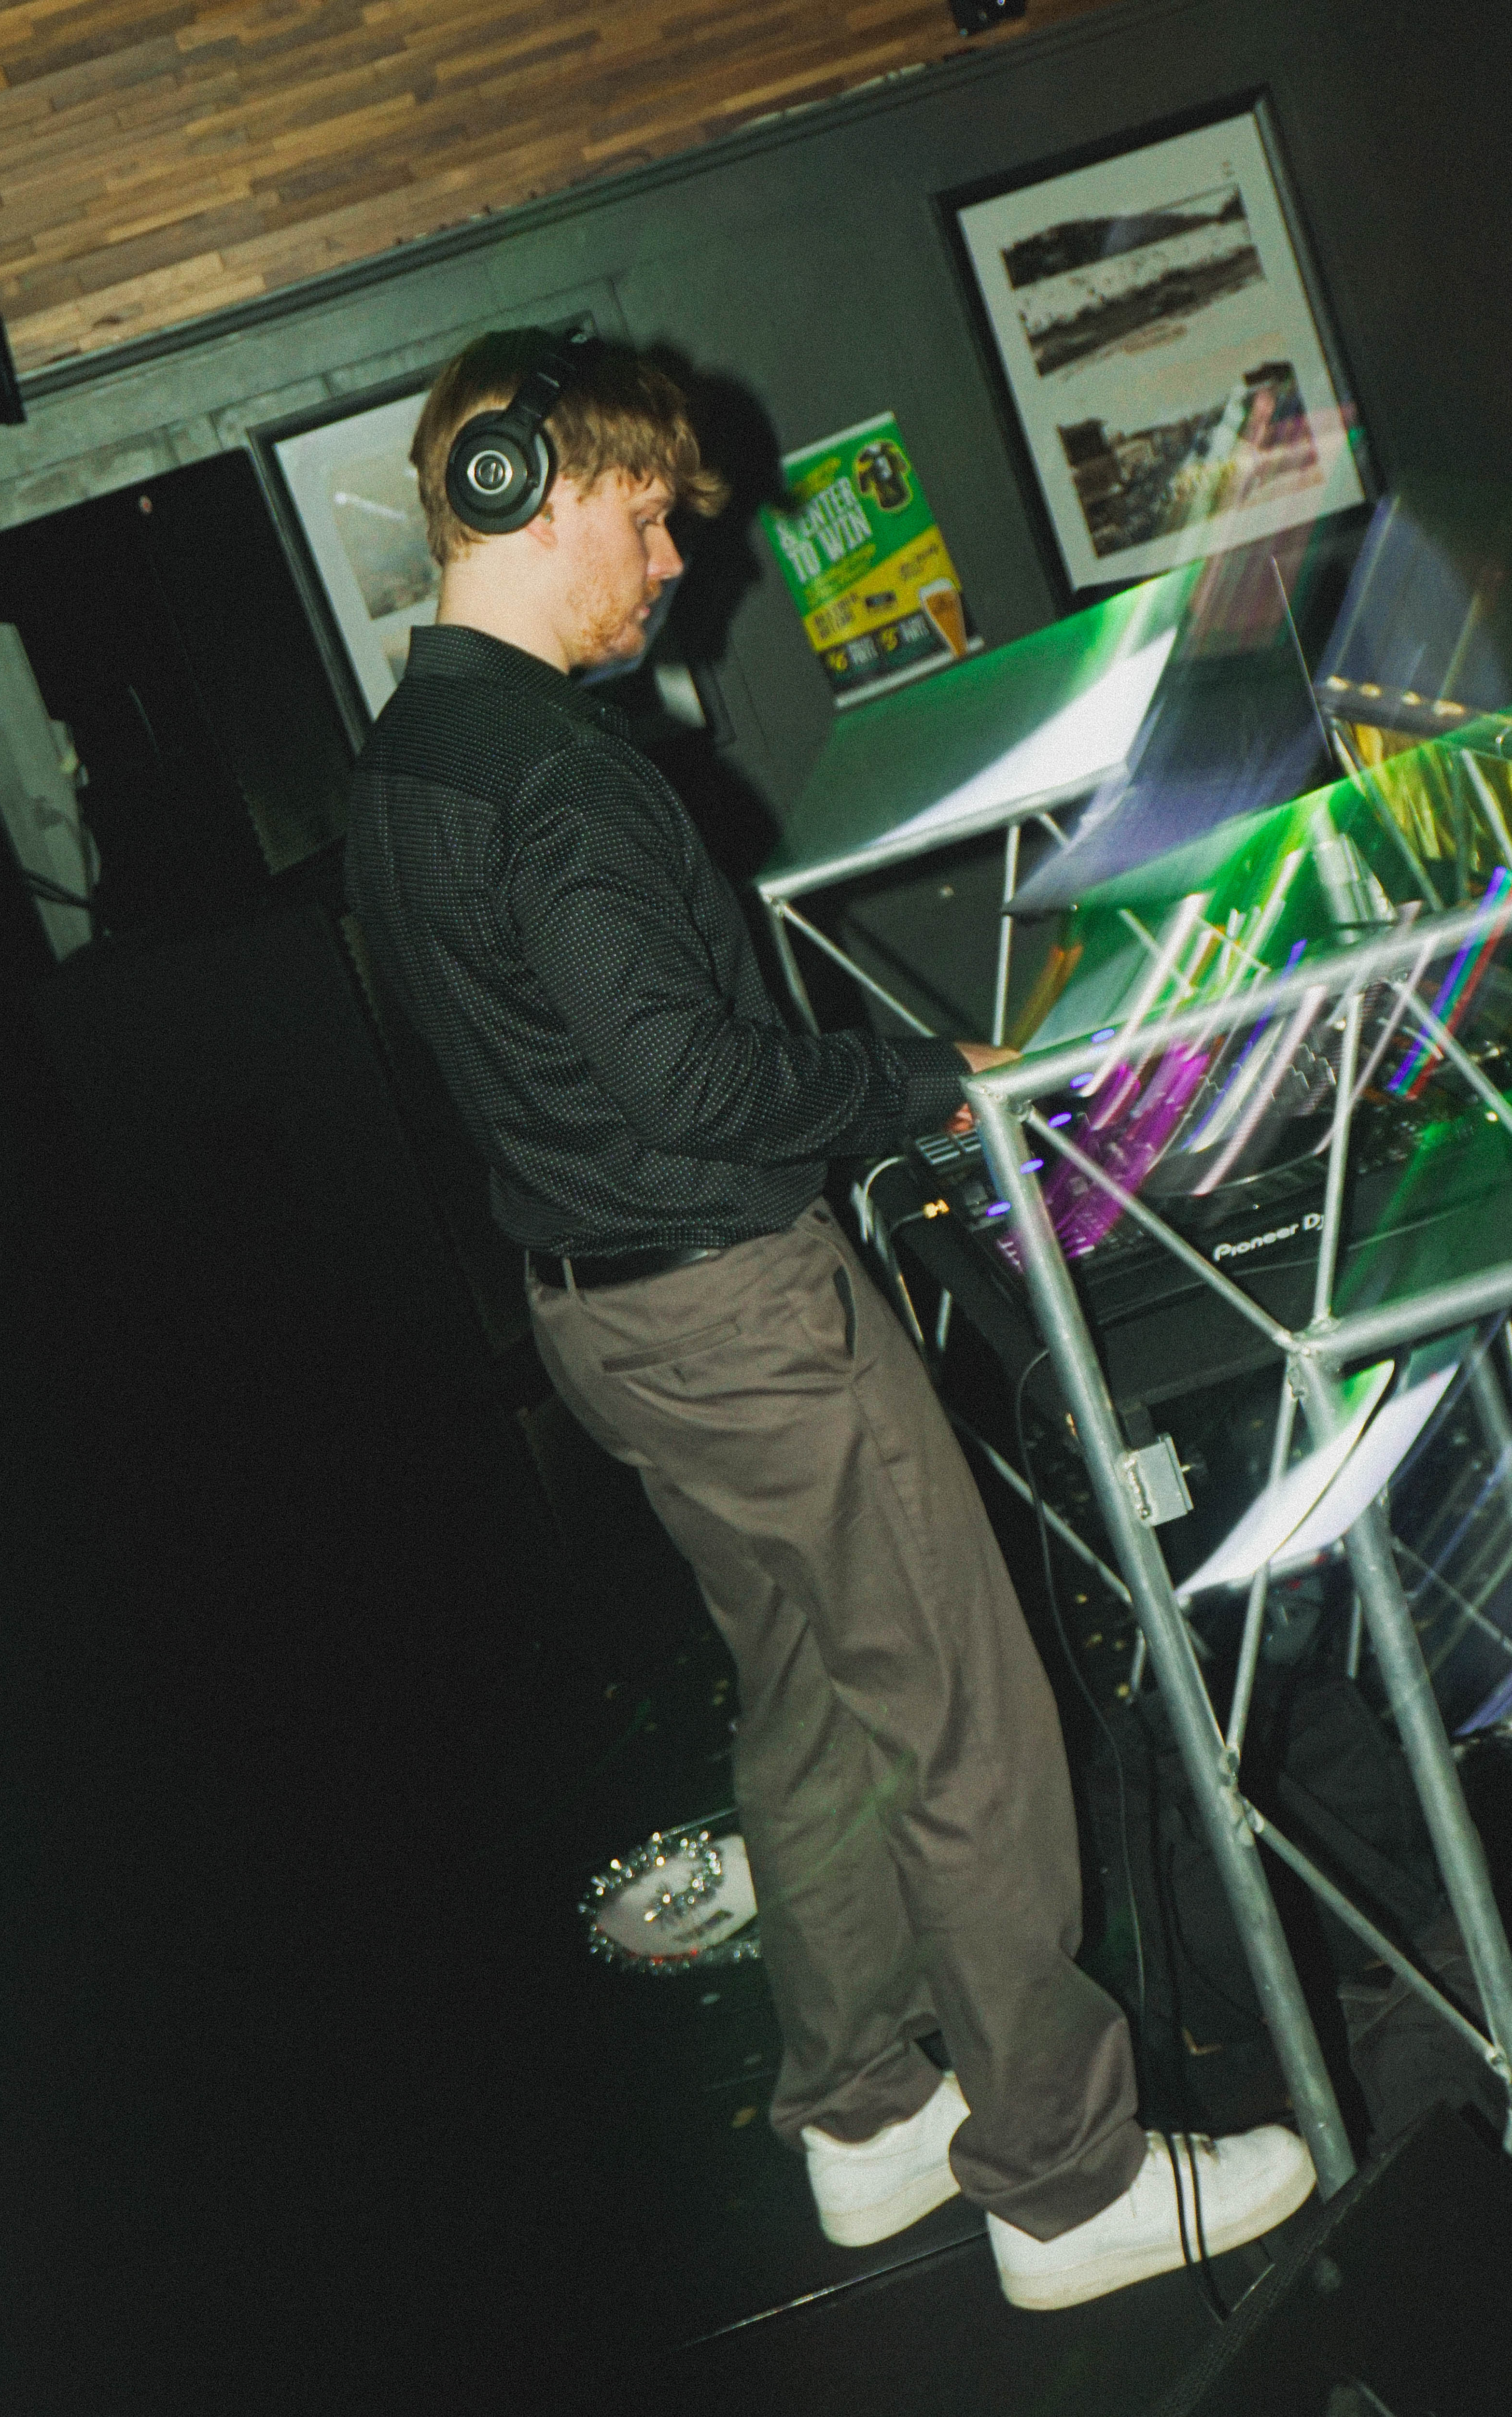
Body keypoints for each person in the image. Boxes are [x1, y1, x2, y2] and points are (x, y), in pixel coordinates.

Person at [343, 329, 1316, 2309]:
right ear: (535, 492)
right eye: (646, 520)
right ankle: (1064, 2181)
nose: (671, 567)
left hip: (606, 1327)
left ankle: (864, 2117)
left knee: (806, 1705)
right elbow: (698, 1086)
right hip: (742, 1319)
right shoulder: (555, 776)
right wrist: (927, 1085)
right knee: (967, 1724)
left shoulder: (406, 762)